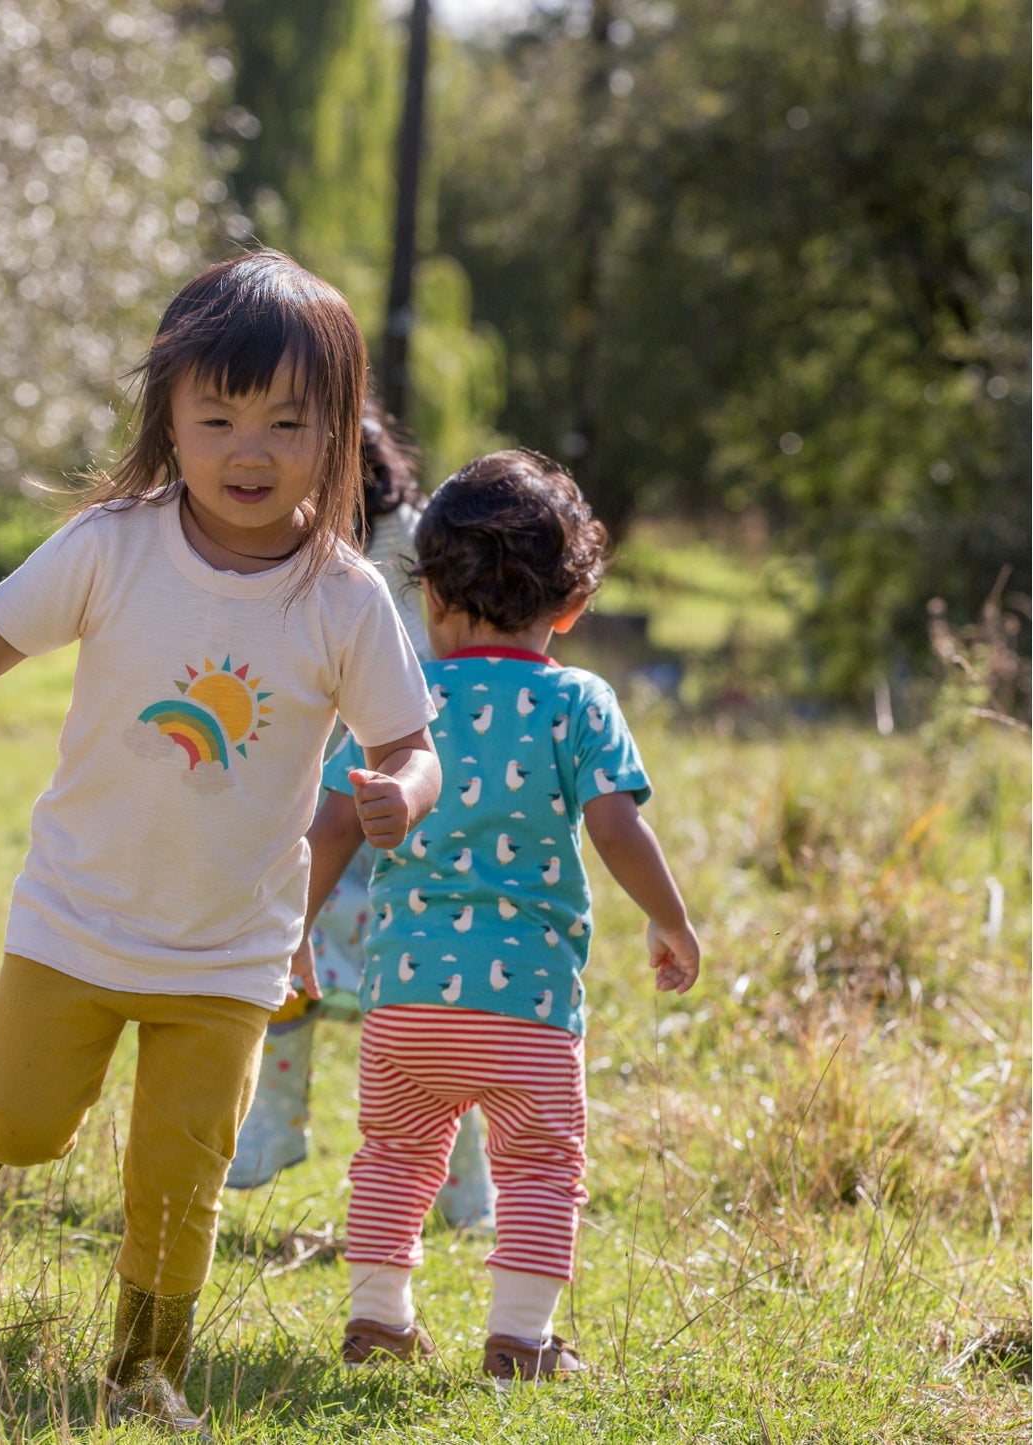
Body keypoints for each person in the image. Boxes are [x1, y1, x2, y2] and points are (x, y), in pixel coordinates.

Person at [0, 250, 441, 1434]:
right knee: (22, 1129)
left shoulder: (342, 598)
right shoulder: (113, 545)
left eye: (288, 421)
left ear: (337, 435)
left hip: (229, 950)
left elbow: (408, 741)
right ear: (167, 416)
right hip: (76, 915)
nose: (250, 449)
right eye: (217, 416)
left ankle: (141, 1371)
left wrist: (400, 793)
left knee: (179, 1186)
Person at [297, 450, 700, 1382]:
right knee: (538, 1167)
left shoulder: (397, 702)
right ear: (570, 608)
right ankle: (519, 1339)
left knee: (394, 1155)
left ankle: (376, 1317)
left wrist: (295, 937)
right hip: (528, 1006)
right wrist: (670, 920)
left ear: (428, 597)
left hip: (403, 998)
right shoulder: (577, 701)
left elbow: (329, 827)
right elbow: (615, 825)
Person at [227, 396, 497, 1230]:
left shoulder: (411, 544)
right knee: (308, 967)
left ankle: (456, 1186)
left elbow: (428, 663)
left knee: (411, 1005)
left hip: (394, 791)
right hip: (333, 798)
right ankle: (272, 1129)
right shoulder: (293, 550)